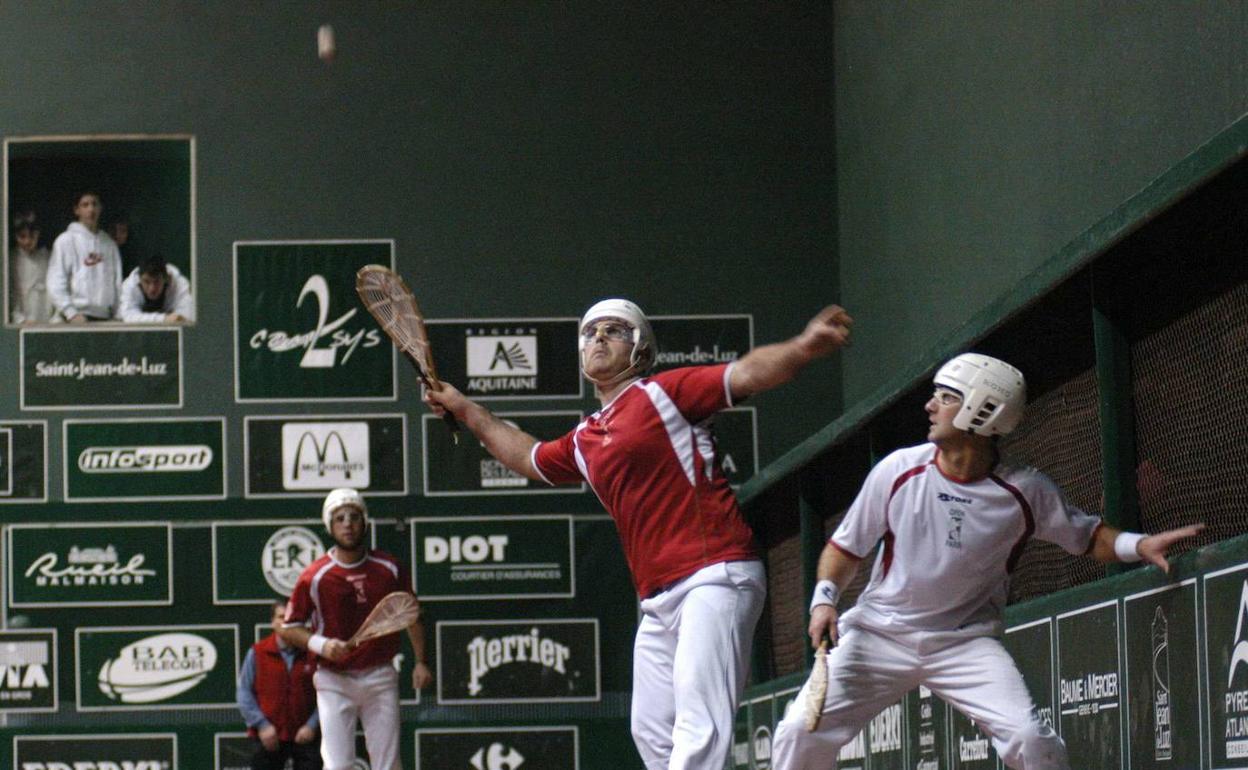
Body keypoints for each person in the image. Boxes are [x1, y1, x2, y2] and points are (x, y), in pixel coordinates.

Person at [425, 298, 854, 770]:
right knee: (649, 729)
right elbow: (528, 456)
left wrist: (803, 347)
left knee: (699, 725)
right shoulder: (585, 439)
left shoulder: (663, 393)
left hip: (715, 575)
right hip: (659, 600)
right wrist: (466, 410)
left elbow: (747, 374)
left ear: (641, 351)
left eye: (614, 330)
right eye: (589, 333)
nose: (599, 339)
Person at [770, 352, 1205, 770]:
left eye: (945, 396)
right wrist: (825, 599)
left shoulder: (1025, 491)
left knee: (1030, 739)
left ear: (982, 409)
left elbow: (1088, 538)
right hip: (879, 636)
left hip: (964, 643)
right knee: (797, 733)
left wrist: (1139, 545)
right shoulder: (898, 471)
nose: (929, 405)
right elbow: (845, 549)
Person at [279, 488, 432, 770]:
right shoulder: (315, 576)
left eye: (354, 517)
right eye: (339, 518)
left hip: (380, 675)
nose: (347, 524)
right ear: (330, 526)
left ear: (365, 522)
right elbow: (289, 628)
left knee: (388, 764)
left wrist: (421, 662)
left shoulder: (389, 568)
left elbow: (410, 615)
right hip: (333, 680)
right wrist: (323, 645)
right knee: (337, 766)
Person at [237, 600, 321, 770]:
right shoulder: (257, 652)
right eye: (282, 617)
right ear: (272, 623)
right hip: (267, 736)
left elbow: (327, 693)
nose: (287, 623)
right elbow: (244, 692)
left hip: (306, 736)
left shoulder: (313, 654)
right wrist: (262, 725)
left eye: (292, 618)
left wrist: (312, 725)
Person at [46, 191, 123, 322]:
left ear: (100, 208)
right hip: (74, 317)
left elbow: (117, 283)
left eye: (94, 204)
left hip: (105, 318)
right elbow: (55, 281)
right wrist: (70, 312)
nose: (91, 209)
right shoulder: (65, 240)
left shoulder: (109, 245)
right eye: (85, 205)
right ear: (77, 210)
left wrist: (117, 315)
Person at [118, 253, 194, 322]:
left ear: (167, 278)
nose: (152, 288)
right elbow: (128, 316)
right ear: (139, 280)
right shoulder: (130, 285)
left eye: (157, 282)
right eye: (146, 282)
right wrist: (164, 318)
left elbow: (186, 316)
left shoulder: (179, 284)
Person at [9, 209, 51, 324]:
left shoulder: (47, 257)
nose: (27, 241)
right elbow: (12, 293)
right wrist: (20, 319)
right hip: (21, 322)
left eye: (32, 236)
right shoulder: (11, 259)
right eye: (22, 236)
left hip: (46, 321)